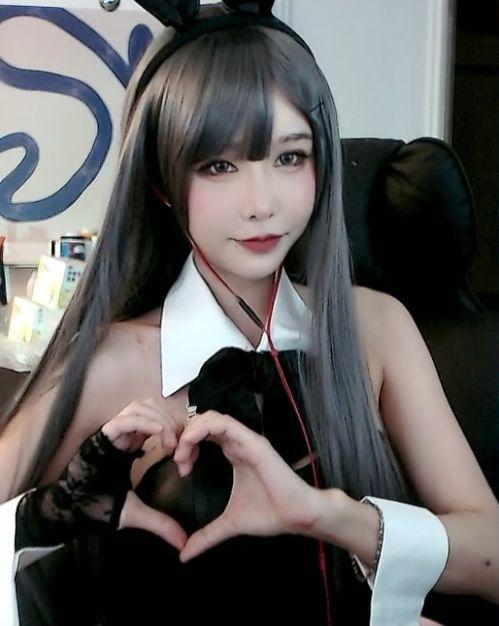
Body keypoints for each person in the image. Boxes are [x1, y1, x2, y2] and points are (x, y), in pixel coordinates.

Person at [0, 2, 498, 625]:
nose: (262, 203)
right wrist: (49, 515)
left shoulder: (376, 329)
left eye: (290, 157)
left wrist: (328, 516)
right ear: (162, 181)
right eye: (220, 165)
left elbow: (491, 554)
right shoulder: (111, 361)